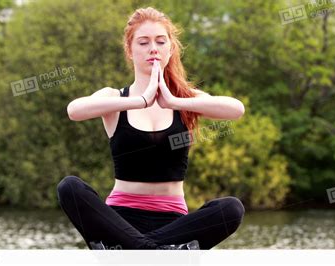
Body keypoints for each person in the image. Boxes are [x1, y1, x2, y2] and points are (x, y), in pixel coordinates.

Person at [57, 7, 245, 250]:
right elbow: (74, 110)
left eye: (160, 41)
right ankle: (160, 254)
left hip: (174, 224)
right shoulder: (115, 98)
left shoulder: (186, 100)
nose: (153, 48)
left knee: (231, 209)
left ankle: (135, 252)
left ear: (171, 49)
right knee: (69, 187)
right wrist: (141, 100)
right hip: (119, 222)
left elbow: (236, 109)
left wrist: (175, 102)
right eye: (143, 42)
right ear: (130, 50)